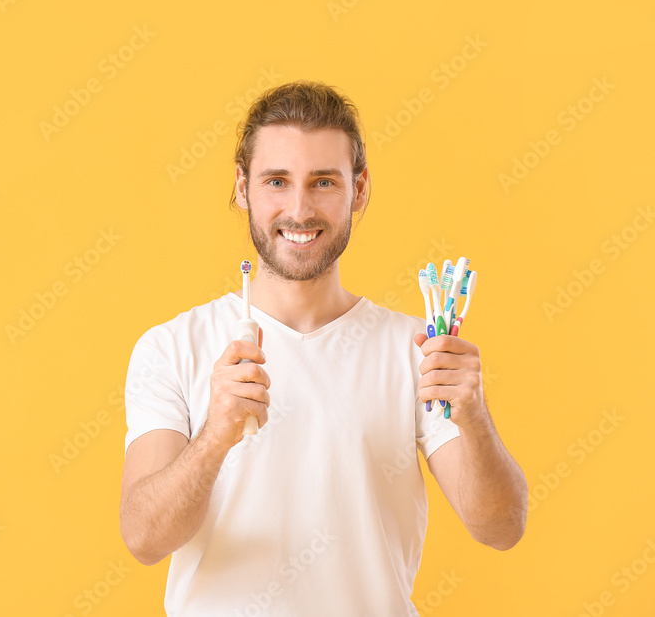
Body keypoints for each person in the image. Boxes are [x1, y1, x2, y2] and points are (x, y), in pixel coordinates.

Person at [118, 80, 528, 616]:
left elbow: (500, 527)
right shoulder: (172, 347)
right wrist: (216, 435)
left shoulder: (415, 351)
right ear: (242, 187)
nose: (299, 209)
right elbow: (144, 537)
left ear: (359, 190)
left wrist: (473, 417)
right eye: (276, 181)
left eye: (323, 182)